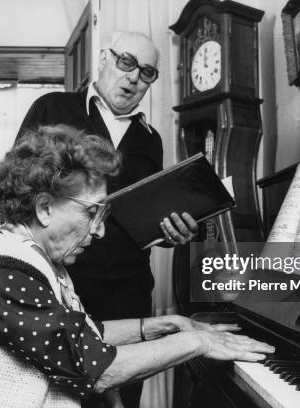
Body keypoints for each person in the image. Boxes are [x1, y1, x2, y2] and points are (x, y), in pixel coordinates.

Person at [0, 125, 274, 408]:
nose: (100, 229)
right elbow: (97, 367)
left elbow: (81, 333)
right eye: (92, 212)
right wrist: (198, 343)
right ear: (45, 207)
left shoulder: (30, 257)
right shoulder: (2, 273)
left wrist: (166, 324)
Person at [16, 31, 197, 407]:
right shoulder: (52, 107)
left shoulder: (151, 139)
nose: (133, 77)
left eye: (146, 72)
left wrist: (171, 232)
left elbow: (146, 214)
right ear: (103, 59)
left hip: (128, 294)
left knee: (121, 400)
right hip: (62, 282)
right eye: (126, 62)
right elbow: (17, 186)